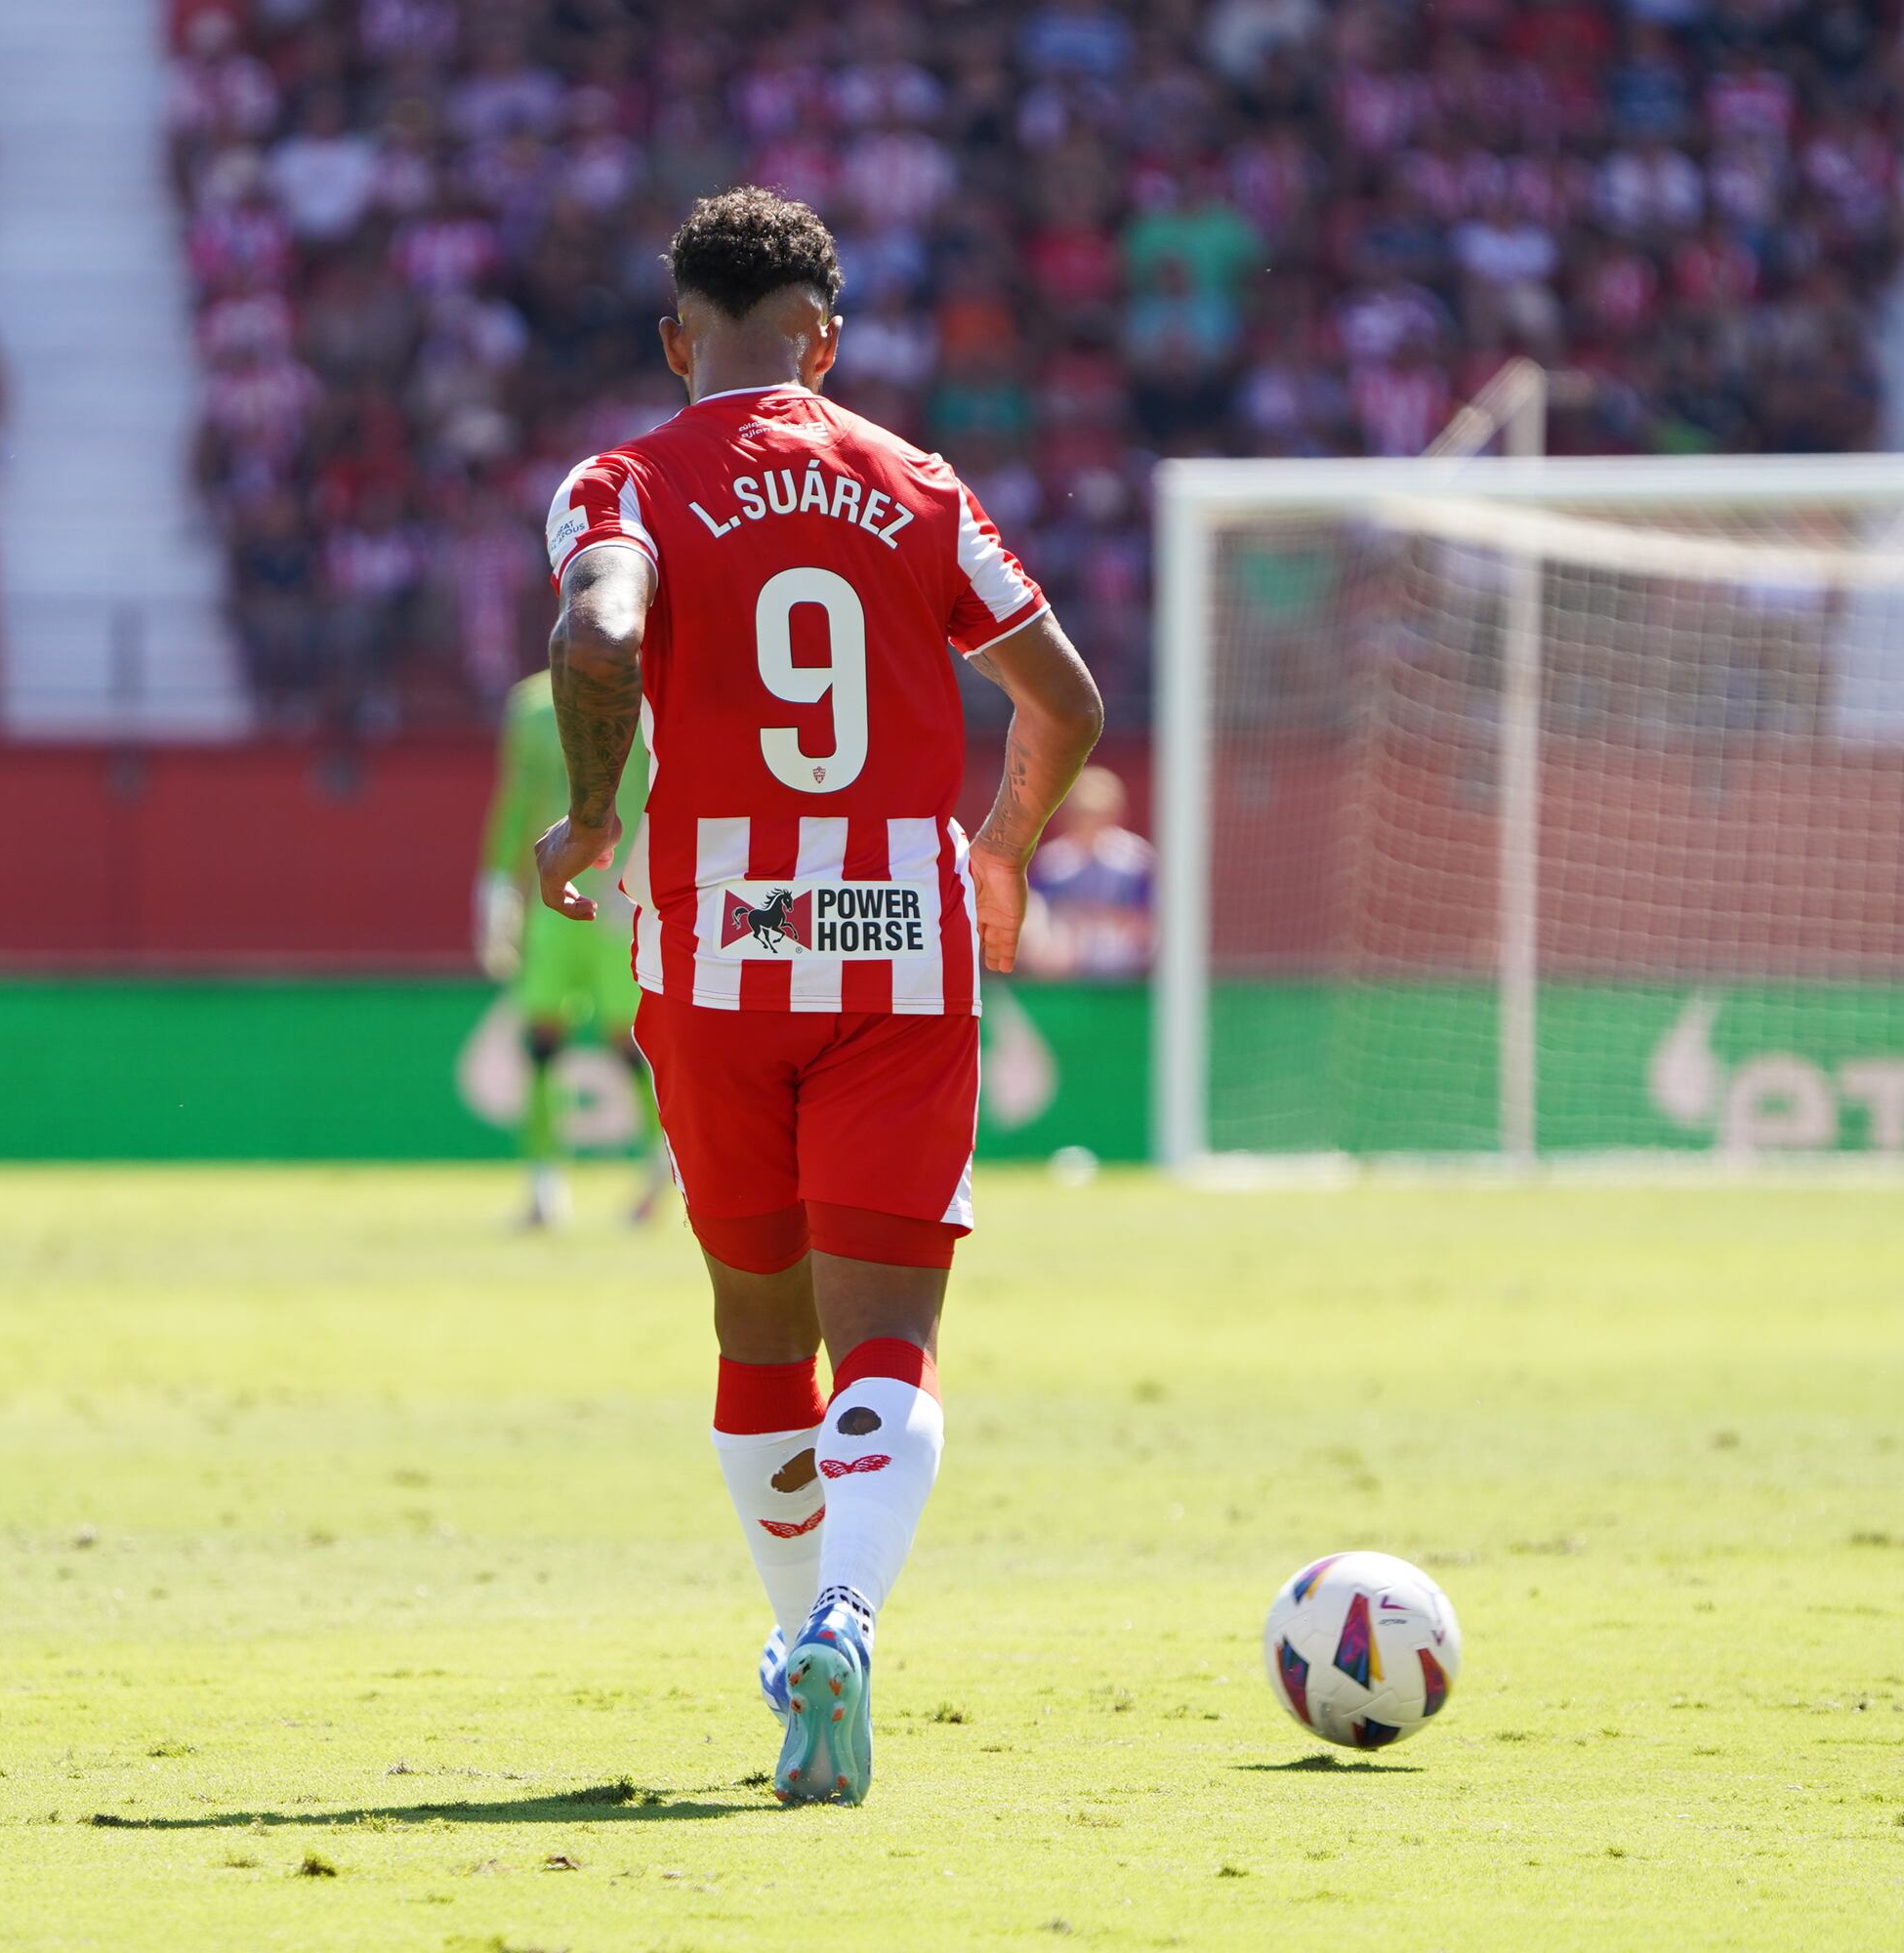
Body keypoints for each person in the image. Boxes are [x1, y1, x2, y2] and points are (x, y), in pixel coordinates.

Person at [532, 188, 1101, 1805]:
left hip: (715, 960)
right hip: (893, 955)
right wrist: (995, 851)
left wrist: (588, 814)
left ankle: (798, 1649)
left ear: (673, 340)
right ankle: (849, 1619)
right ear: (824, 340)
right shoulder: (918, 485)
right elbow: (1061, 699)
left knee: (754, 1324)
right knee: (886, 1340)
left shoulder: (624, 477)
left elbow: (598, 629)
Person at [475, 668, 661, 1226]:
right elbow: (518, 799)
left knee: (632, 1042)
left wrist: (649, 882)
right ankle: (543, 1184)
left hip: (621, 894)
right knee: (540, 1037)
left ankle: (663, 1159)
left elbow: (661, 788)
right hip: (554, 898)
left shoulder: (645, 693)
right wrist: (496, 891)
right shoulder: (531, 705)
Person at [1020, 765, 1155, 977]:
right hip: (1063, 956)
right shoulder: (1053, 861)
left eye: (1098, 816)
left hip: (1124, 957)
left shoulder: (1136, 859)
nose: (1090, 824)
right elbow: (1039, 912)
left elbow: (1148, 915)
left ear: (1117, 815)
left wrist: (1102, 917)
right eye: (1081, 815)